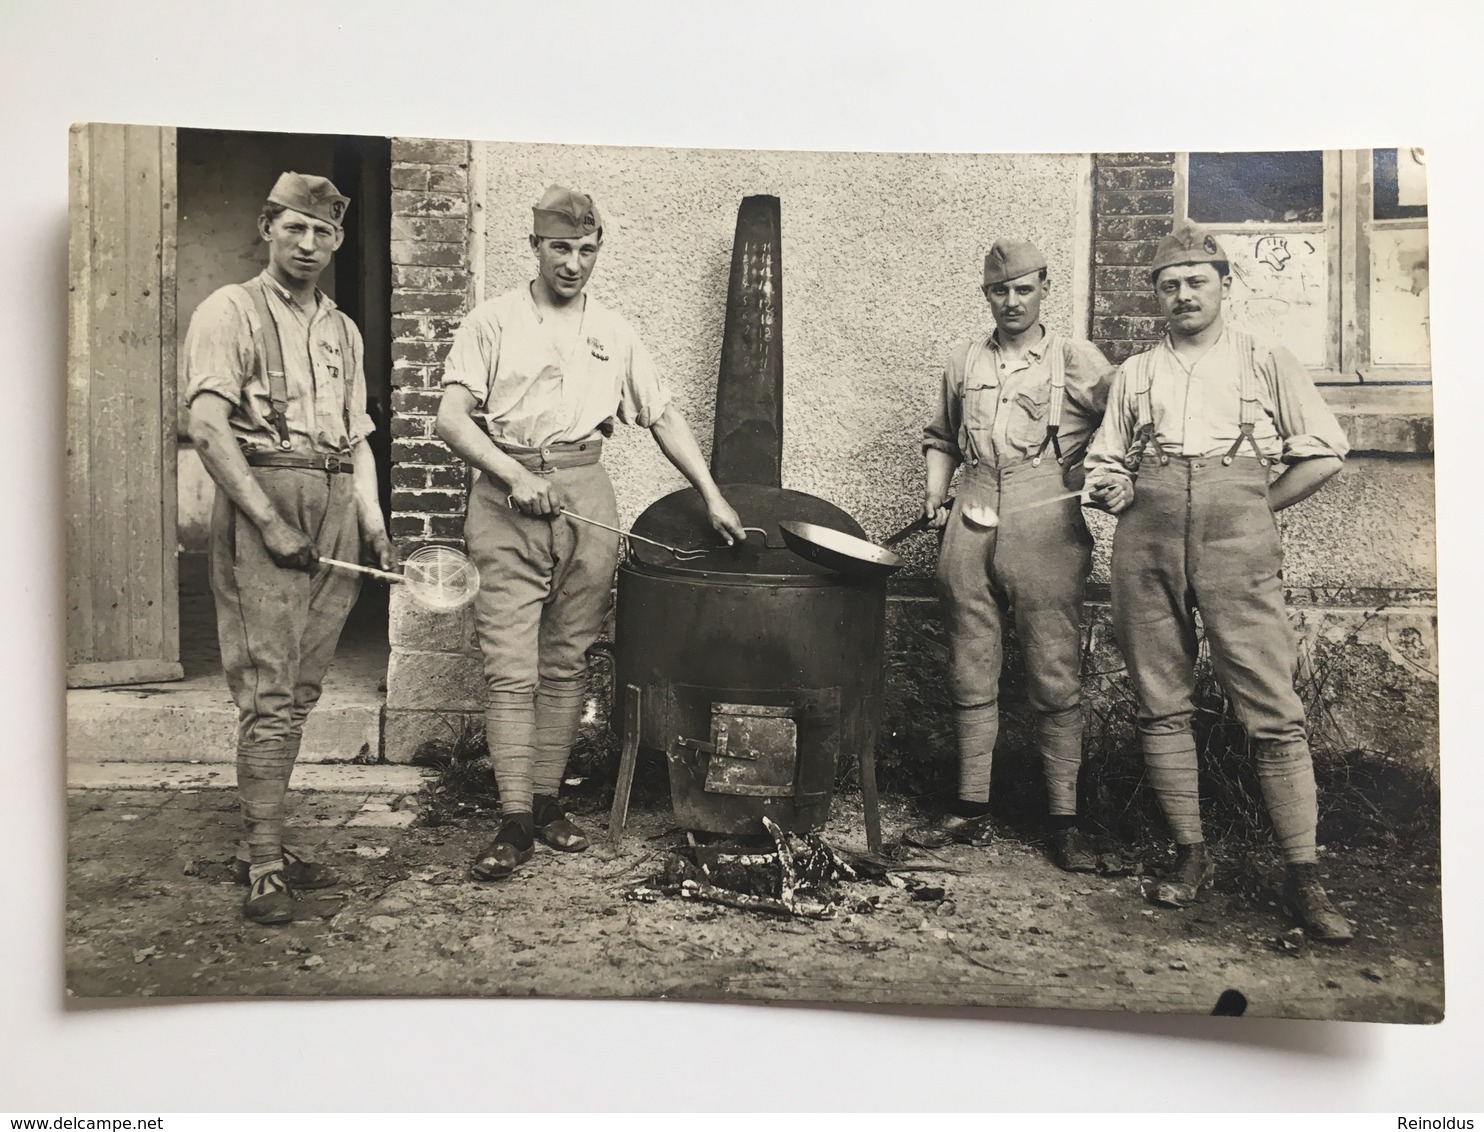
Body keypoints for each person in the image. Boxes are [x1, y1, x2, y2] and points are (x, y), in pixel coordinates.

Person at [436, 185, 746, 882]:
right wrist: (509, 473)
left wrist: (713, 494)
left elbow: (661, 415)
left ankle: (547, 804)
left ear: (597, 250)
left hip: (585, 497)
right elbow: (451, 421)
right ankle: (514, 819)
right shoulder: (492, 323)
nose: (573, 263)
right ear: (535, 247)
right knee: (510, 669)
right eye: (559, 248)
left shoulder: (615, 331)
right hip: (507, 498)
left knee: (568, 660)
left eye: (585, 249)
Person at [1082, 221, 1354, 943]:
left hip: (1238, 532)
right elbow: (1106, 459)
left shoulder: (1265, 359)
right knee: (1159, 697)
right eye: (1170, 285)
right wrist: (1109, 486)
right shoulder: (1137, 372)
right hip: (1148, 533)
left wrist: (1256, 502)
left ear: (1225, 286)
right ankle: (1189, 855)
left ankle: (1304, 876)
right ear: (1157, 297)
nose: (1183, 295)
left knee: (1271, 703)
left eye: (1196, 281)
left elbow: (1324, 450)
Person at [184, 172, 396, 925]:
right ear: (267, 226)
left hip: (336, 498)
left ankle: (259, 843)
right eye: (294, 228)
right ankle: (265, 865)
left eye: (323, 233)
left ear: (338, 240)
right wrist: (269, 521)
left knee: (303, 687)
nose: (308, 245)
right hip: (267, 493)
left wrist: (372, 524)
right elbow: (208, 428)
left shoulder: (342, 328)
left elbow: (360, 440)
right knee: (269, 690)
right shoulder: (229, 310)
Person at [917, 238, 1115, 870]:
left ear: (1043, 288)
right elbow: (941, 436)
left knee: (1053, 671)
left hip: (1045, 513)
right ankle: (972, 810)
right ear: (986, 294)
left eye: (1023, 289)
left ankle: (1064, 819)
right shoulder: (964, 359)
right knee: (970, 663)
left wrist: (1102, 473)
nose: (1011, 302)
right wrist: (935, 494)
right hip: (971, 510)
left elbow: (1127, 423)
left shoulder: (1075, 359)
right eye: (999, 291)